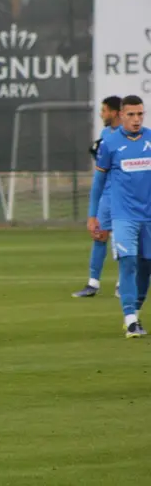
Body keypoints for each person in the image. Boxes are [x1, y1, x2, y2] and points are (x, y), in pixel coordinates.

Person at [89, 95, 151, 338]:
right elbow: (98, 182)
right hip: (123, 215)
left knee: (146, 266)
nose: (136, 119)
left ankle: (135, 311)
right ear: (122, 115)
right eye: (131, 114)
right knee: (128, 262)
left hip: (148, 216)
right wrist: (92, 215)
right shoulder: (109, 144)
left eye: (140, 114)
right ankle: (130, 319)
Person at [73, 96, 122, 298]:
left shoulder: (128, 135)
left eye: (104, 110)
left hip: (125, 195)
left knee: (124, 239)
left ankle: (122, 284)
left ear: (114, 112)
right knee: (99, 235)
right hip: (107, 194)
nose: (101, 114)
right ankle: (93, 283)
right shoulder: (105, 134)